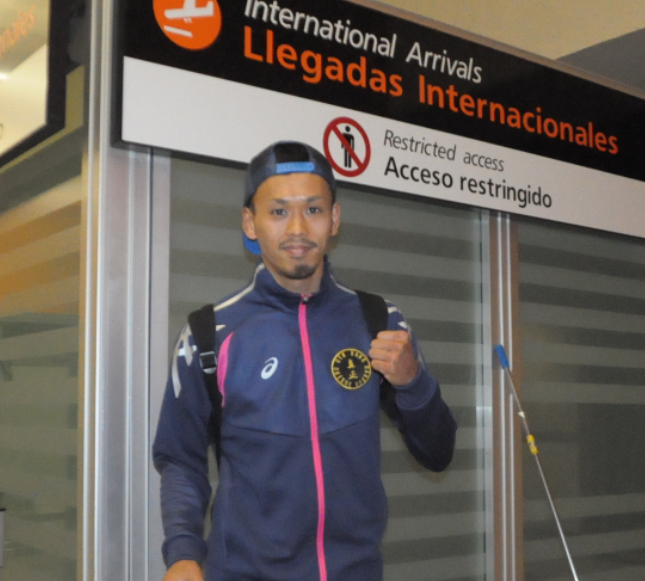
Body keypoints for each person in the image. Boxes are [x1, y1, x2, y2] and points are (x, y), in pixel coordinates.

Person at [153, 141, 457, 581]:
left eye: (313, 210)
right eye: (278, 212)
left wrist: (414, 384)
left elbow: (438, 453)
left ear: (334, 219)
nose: (297, 228)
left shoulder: (379, 320)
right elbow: (180, 459)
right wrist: (183, 553)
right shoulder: (207, 334)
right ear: (250, 222)